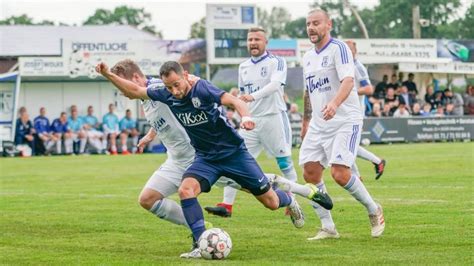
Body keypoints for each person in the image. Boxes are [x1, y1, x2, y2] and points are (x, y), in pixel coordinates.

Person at [96, 59, 333, 259]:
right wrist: (150, 134)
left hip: (223, 153)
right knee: (160, 196)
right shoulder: (163, 92)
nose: (174, 91)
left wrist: (246, 117)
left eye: (177, 85)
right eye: (171, 87)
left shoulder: (182, 87)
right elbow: (149, 102)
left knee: (266, 197)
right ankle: (201, 237)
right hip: (194, 158)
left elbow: (232, 100)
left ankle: (297, 194)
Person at [301, 9, 385, 240]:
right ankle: (328, 227)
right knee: (310, 172)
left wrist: (335, 104)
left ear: (329, 24)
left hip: (345, 120)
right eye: (308, 24)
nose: (311, 28)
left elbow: (348, 80)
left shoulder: (339, 48)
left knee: (339, 174)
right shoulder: (308, 57)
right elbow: (308, 92)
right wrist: (306, 121)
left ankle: (373, 209)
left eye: (316, 23)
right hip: (319, 124)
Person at [205, 27, 301, 218]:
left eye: (257, 39)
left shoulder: (277, 61)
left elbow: (275, 85)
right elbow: (242, 94)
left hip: (273, 117)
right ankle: (227, 205)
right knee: (234, 160)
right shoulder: (244, 66)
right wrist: (242, 108)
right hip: (251, 122)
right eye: (250, 40)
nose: (253, 43)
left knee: (284, 163)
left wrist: (251, 96)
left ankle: (293, 202)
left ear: (266, 42)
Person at [345, 40, 386, 180]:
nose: (345, 52)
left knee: (347, 145)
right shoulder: (345, 66)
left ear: (354, 51)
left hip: (355, 112)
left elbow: (369, 89)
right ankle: (358, 174)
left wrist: (349, 92)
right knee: (345, 144)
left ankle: (369, 166)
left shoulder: (358, 67)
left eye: (348, 49)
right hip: (346, 111)